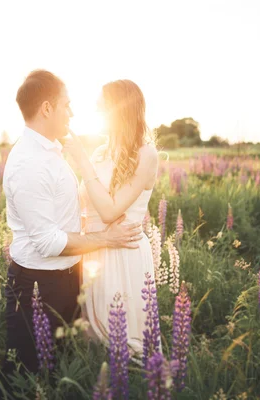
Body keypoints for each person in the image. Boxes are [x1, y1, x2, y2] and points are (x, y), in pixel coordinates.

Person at [0, 70, 143, 388]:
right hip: (38, 285)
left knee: (60, 371)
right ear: (47, 108)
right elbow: (48, 242)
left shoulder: (51, 151)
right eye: (67, 105)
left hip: (67, 279)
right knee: (27, 378)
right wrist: (106, 238)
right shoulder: (29, 164)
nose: (73, 113)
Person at [62, 79, 159, 359]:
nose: (95, 109)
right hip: (94, 252)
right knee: (94, 341)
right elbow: (85, 201)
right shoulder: (101, 152)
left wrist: (81, 162)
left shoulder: (146, 154)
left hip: (123, 253)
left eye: (101, 105)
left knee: (124, 342)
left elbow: (109, 211)